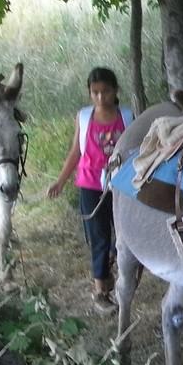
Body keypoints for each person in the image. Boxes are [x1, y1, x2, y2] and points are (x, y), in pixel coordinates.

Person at [47, 67, 128, 314]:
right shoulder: (84, 117)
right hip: (90, 185)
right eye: (95, 92)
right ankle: (101, 292)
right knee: (98, 237)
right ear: (89, 93)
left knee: (124, 236)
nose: (101, 97)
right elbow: (76, 152)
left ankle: (114, 267)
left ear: (116, 91)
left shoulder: (127, 116)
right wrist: (60, 181)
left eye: (106, 91)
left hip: (121, 186)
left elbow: (137, 150)